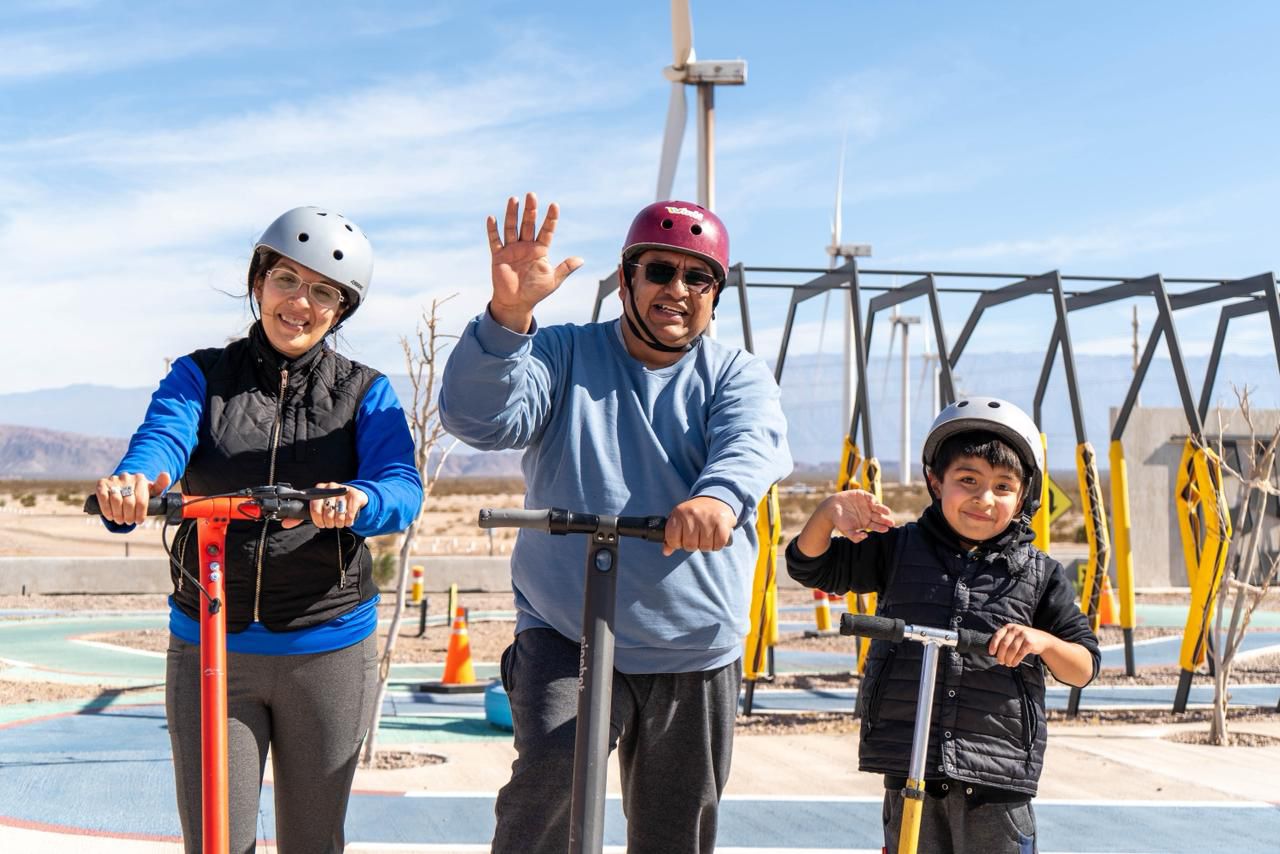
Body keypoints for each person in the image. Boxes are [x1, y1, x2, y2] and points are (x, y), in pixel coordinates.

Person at [439, 193, 792, 853]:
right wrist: (510, 317)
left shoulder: (734, 375)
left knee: (676, 829)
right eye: (659, 271)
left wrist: (716, 499)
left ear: (717, 294)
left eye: (698, 278)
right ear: (628, 278)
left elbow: (751, 446)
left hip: (693, 643)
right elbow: (480, 420)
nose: (677, 290)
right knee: (546, 795)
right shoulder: (563, 354)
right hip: (568, 627)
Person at [95, 206, 423, 854]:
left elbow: (400, 486)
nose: (301, 302)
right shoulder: (200, 377)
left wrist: (359, 498)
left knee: (313, 842)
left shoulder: (365, 392)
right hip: (212, 643)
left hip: (327, 650)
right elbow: (160, 441)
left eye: (324, 291)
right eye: (286, 280)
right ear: (258, 281)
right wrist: (137, 483)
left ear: (341, 310)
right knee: (216, 841)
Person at [785, 396, 1099, 854]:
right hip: (911, 771)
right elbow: (811, 567)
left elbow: (1084, 666)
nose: (984, 498)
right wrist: (827, 513)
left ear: (1023, 496)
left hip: (997, 784)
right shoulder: (898, 550)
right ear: (936, 481)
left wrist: (1042, 641)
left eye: (1003, 486)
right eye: (967, 480)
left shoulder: (1039, 574)